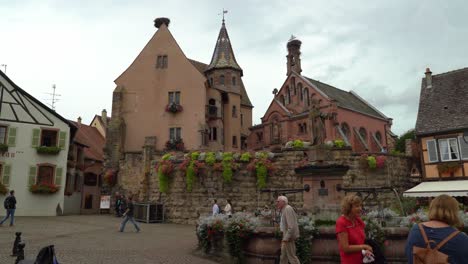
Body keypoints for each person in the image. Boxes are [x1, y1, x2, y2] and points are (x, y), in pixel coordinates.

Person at [405, 194, 468, 264]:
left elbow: (409, 255)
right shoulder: (461, 238)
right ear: (454, 212)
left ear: (431, 209)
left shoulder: (416, 230)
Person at [336, 194, 373, 264]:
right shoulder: (341, 222)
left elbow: (360, 242)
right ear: (349, 208)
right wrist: (364, 246)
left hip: (361, 260)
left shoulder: (358, 221)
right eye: (357, 206)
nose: (360, 208)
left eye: (360, 206)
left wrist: (365, 251)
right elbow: (345, 248)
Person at [276, 195, 300, 264]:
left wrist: (286, 238)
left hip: (288, 238)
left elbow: (291, 226)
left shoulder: (288, 209)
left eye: (278, 201)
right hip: (286, 236)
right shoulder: (284, 209)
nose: (277, 203)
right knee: (283, 257)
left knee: (292, 257)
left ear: (283, 202)